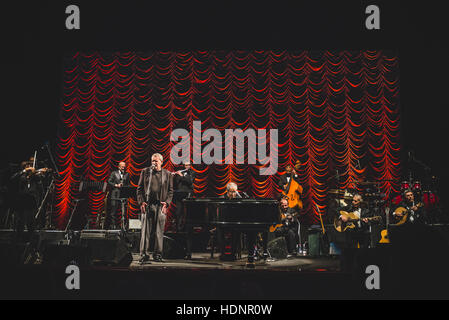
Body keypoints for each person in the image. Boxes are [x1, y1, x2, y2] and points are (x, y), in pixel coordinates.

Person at [136, 153, 173, 264]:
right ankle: (144, 254)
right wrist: (141, 202)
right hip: (147, 205)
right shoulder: (145, 172)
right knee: (145, 231)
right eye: (152, 160)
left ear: (161, 162)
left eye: (156, 161)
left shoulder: (167, 174)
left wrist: (166, 203)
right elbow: (139, 189)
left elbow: (171, 191)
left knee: (158, 231)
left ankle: (158, 254)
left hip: (160, 206)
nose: (154, 163)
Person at [10, 160, 40, 242]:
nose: (30, 168)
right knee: (21, 221)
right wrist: (24, 172)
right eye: (27, 167)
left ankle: (31, 241)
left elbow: (39, 179)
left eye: (30, 166)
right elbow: (12, 178)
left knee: (31, 222)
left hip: (31, 201)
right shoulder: (20, 176)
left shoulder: (34, 177)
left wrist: (36, 172)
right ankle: (19, 240)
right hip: (22, 201)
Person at [172, 162, 196, 233]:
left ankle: (188, 229)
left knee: (188, 213)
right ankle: (178, 229)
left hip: (188, 195)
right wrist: (174, 176)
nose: (187, 167)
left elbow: (190, 181)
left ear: (190, 165)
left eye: (188, 165)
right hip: (179, 194)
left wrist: (181, 176)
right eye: (185, 165)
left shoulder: (192, 173)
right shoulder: (181, 172)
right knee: (178, 212)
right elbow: (176, 183)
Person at [107, 161, 130, 230]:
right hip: (115, 195)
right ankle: (113, 226)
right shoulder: (114, 173)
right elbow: (109, 181)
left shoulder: (127, 174)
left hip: (123, 195)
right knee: (113, 212)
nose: (123, 168)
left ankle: (123, 227)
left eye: (124, 166)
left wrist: (125, 186)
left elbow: (128, 184)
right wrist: (116, 185)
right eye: (122, 166)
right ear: (119, 166)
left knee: (124, 211)